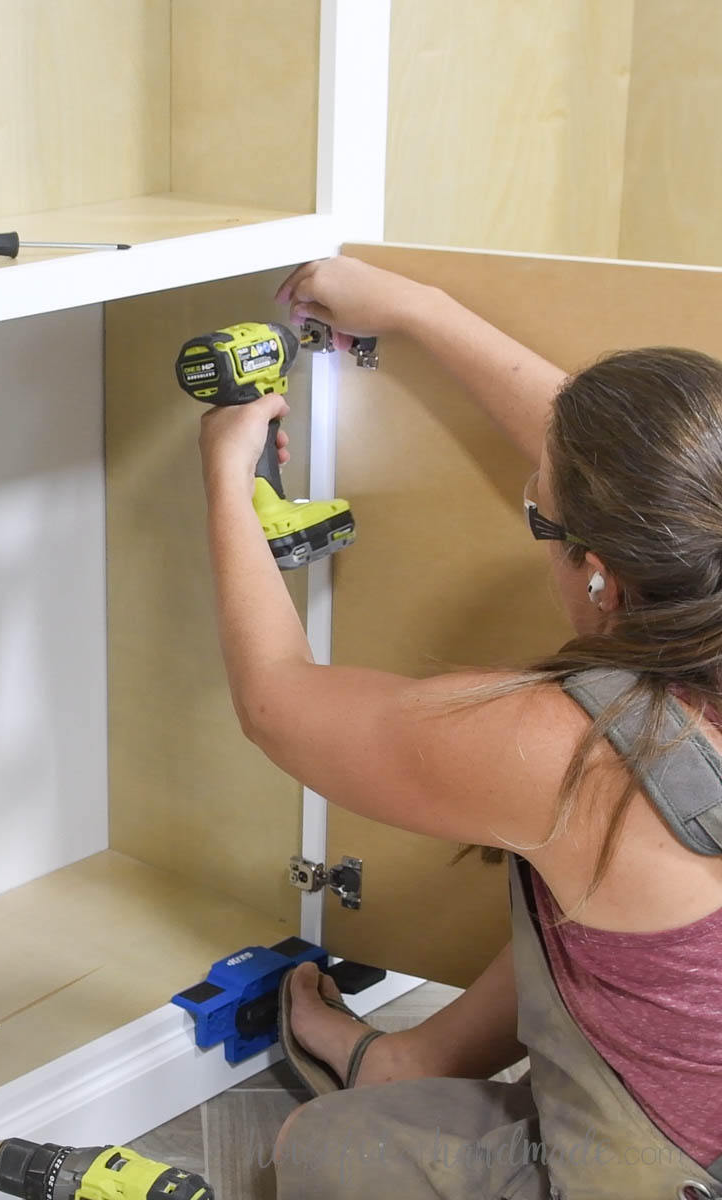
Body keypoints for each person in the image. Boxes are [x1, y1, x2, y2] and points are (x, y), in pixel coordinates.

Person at [197, 255, 722, 1200]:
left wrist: (228, 484)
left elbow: (277, 705)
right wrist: (417, 310)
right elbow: (642, 474)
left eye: (540, 516)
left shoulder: (579, 749)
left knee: (320, 1147)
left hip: (674, 1176)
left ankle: (410, 1083)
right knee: (577, 878)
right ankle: (419, 1060)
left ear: (600, 572)